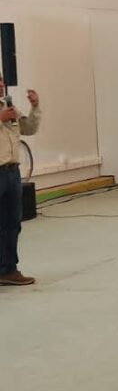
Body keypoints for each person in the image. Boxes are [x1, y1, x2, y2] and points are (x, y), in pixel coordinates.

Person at [0, 79, 40, 286]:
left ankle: (7, 270)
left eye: (0, 81)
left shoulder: (9, 107)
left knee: (11, 224)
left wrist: (35, 107)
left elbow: (29, 128)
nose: (0, 85)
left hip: (11, 173)